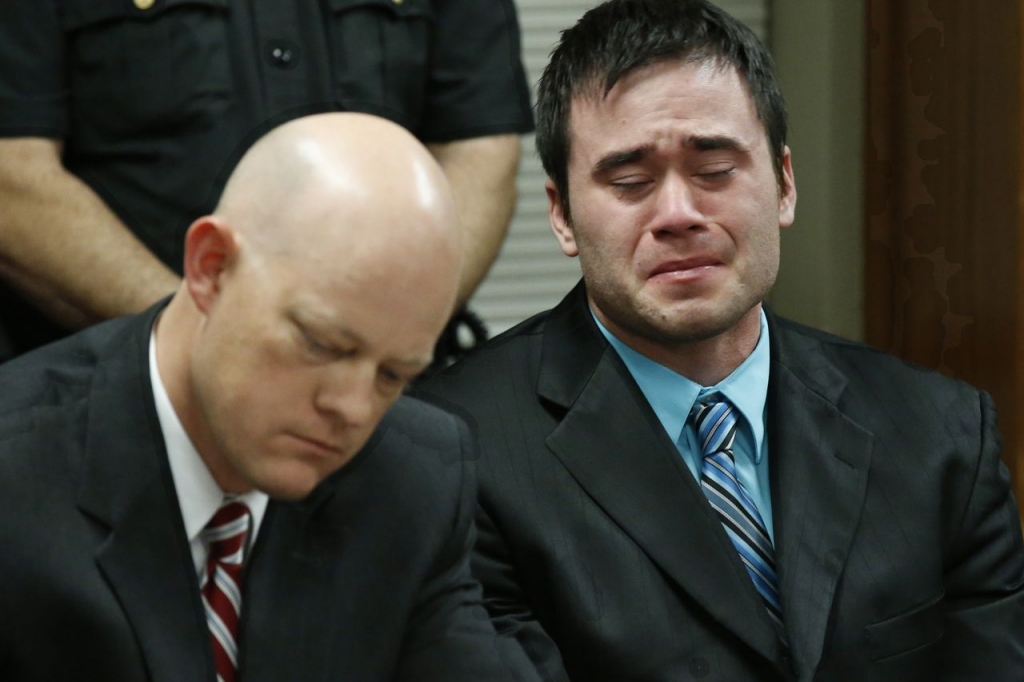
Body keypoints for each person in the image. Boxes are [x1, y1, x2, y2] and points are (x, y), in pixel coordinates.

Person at [418, 1, 1024, 680]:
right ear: (561, 216)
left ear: (785, 184)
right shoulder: (451, 455)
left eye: (714, 171)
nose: (678, 215)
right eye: (630, 181)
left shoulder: (942, 436)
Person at [0, 113, 539, 681]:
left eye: (393, 375)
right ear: (212, 267)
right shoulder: (17, 479)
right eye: (322, 344)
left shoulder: (411, 480)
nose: (353, 409)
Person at [0, 0, 533, 362]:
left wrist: (379, 341)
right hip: (109, 391)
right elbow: (14, 174)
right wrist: (206, 339)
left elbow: (478, 149)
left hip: (380, 408)